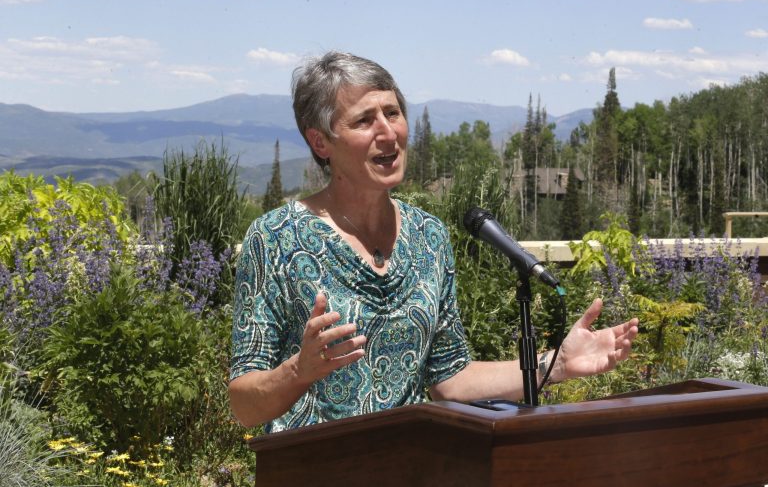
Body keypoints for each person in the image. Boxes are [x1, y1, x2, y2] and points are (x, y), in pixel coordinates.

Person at [228, 51, 639, 433]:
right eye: (364, 120)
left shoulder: (428, 237)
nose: (388, 133)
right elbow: (244, 405)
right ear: (321, 142)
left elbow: (450, 379)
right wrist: (298, 370)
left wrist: (558, 363)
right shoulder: (276, 239)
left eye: (393, 113)